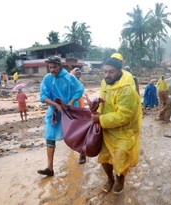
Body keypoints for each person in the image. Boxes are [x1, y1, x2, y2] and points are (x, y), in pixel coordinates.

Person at [91, 56, 142, 194]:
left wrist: (100, 119)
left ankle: (119, 179)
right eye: (105, 71)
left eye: (111, 72)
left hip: (124, 130)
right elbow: (104, 101)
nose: (107, 75)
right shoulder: (104, 83)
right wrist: (96, 104)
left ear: (120, 71)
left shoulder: (127, 90)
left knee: (120, 158)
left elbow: (124, 116)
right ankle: (109, 179)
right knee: (105, 158)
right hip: (106, 128)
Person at [38, 56, 84, 176]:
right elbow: (43, 96)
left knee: (75, 134)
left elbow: (79, 90)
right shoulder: (47, 79)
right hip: (54, 111)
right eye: (50, 67)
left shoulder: (69, 78)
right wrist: (55, 105)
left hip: (70, 111)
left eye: (55, 67)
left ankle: (82, 152)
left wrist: (70, 102)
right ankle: (50, 168)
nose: (52, 70)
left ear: (60, 66)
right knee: (50, 135)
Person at [70, 67, 86, 164]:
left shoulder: (80, 85)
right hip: (72, 111)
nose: (78, 76)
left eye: (80, 74)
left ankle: (82, 154)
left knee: (81, 133)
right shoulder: (69, 85)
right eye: (77, 74)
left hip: (81, 111)